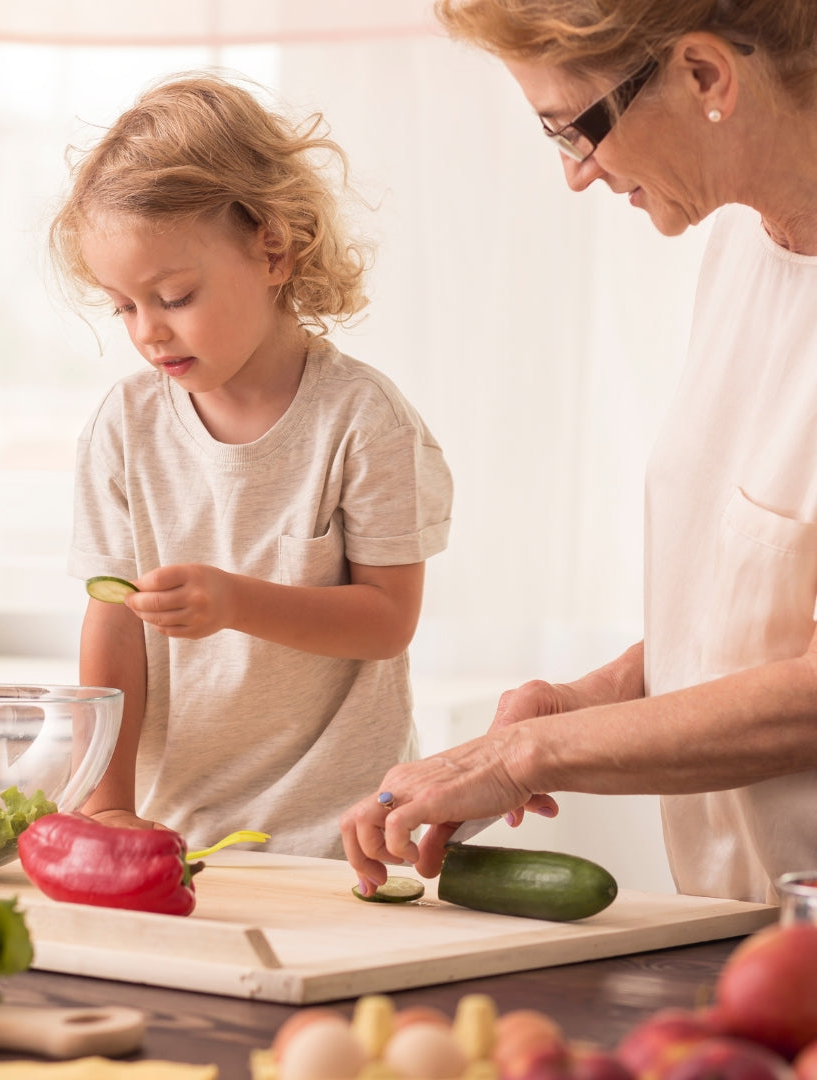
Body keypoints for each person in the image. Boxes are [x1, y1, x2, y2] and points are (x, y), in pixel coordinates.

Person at [342, 0, 817, 904]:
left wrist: (529, 757)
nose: (576, 173)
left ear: (705, 75)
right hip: (743, 936)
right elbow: (758, 607)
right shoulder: (741, 254)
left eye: (576, 128)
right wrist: (585, 701)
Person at [52, 73, 453, 858]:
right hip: (180, 833)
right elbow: (113, 628)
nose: (146, 332)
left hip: (345, 840)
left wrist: (234, 601)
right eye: (123, 305)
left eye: (173, 294)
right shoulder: (125, 427)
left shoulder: (364, 423)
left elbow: (386, 621)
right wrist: (107, 808)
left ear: (273, 249)